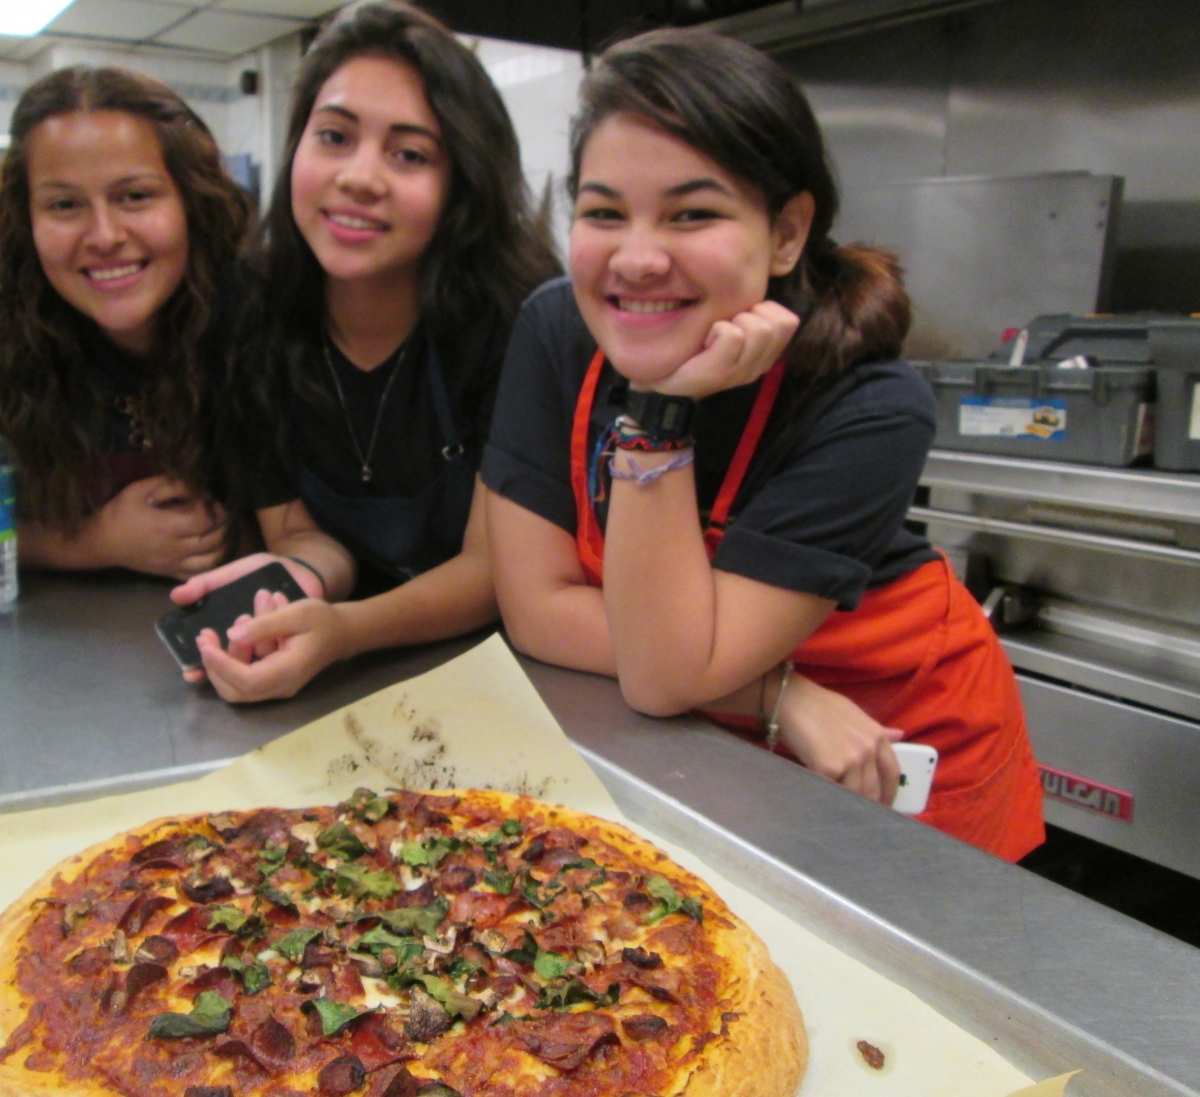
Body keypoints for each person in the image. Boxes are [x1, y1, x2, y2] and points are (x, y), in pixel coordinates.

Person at [483, 28, 1044, 861]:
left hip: (893, 759)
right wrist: (779, 693)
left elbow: (664, 672)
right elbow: (536, 609)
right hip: (703, 747)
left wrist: (658, 413)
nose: (636, 258)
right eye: (604, 212)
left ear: (786, 233)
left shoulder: (872, 403)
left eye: (693, 213)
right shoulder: (555, 331)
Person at [170, 0, 560, 701]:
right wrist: (294, 585)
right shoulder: (251, 311)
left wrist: (346, 631)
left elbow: (491, 568)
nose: (360, 176)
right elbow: (298, 530)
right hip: (348, 675)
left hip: (505, 680)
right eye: (334, 136)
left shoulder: (515, 321)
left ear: (462, 182)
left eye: (409, 154)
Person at [0, 67, 252, 579]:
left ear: (191, 202)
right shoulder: (10, 336)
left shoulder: (264, 325)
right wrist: (89, 542)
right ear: (26, 220)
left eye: (135, 196)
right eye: (64, 204)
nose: (104, 235)